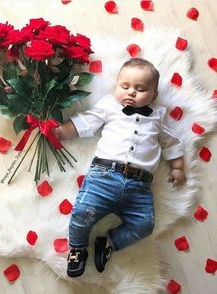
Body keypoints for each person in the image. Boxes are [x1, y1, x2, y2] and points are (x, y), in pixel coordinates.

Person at [56, 58, 186, 278]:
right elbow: (87, 122)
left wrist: (177, 167)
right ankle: (77, 249)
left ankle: (108, 242)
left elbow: (171, 142)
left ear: (154, 95)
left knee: (144, 225)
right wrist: (61, 132)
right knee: (81, 213)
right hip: (104, 177)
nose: (131, 93)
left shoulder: (158, 116)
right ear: (116, 86)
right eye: (124, 87)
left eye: (140, 89)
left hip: (140, 186)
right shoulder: (109, 105)